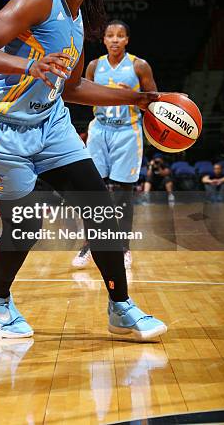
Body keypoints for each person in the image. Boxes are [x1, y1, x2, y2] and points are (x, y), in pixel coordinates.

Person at [0, 0, 168, 341]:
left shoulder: (78, 20)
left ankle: (121, 308)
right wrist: (27, 66)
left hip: (50, 124)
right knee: (28, 223)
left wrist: (137, 98)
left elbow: (73, 89)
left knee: (101, 210)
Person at [72, 20, 157, 270]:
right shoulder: (94, 65)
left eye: (120, 36)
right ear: (104, 40)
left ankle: (123, 246)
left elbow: (154, 101)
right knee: (92, 192)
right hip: (99, 130)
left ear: (127, 40)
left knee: (122, 194)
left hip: (127, 131)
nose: (115, 40)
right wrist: (101, 93)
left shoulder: (139, 66)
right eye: (110, 35)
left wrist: (130, 95)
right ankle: (90, 244)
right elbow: (81, 95)